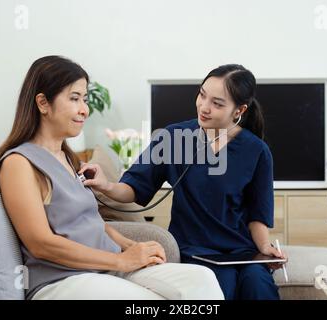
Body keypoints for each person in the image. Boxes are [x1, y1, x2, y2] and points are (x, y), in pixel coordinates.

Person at [0, 55, 224, 300]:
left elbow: (92, 223)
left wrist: (129, 246)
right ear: (43, 103)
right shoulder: (19, 163)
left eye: (84, 99)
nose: (84, 109)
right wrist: (121, 259)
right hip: (62, 281)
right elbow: (40, 243)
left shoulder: (68, 159)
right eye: (75, 99)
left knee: (202, 280)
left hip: (104, 271)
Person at [82, 64, 287, 300]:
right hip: (196, 251)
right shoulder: (172, 138)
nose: (204, 107)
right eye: (202, 95)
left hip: (242, 250)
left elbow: (257, 216)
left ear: (239, 110)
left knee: (258, 285)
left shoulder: (257, 151)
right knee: (224, 286)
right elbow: (134, 188)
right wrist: (105, 185)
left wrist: (265, 248)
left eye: (217, 103)